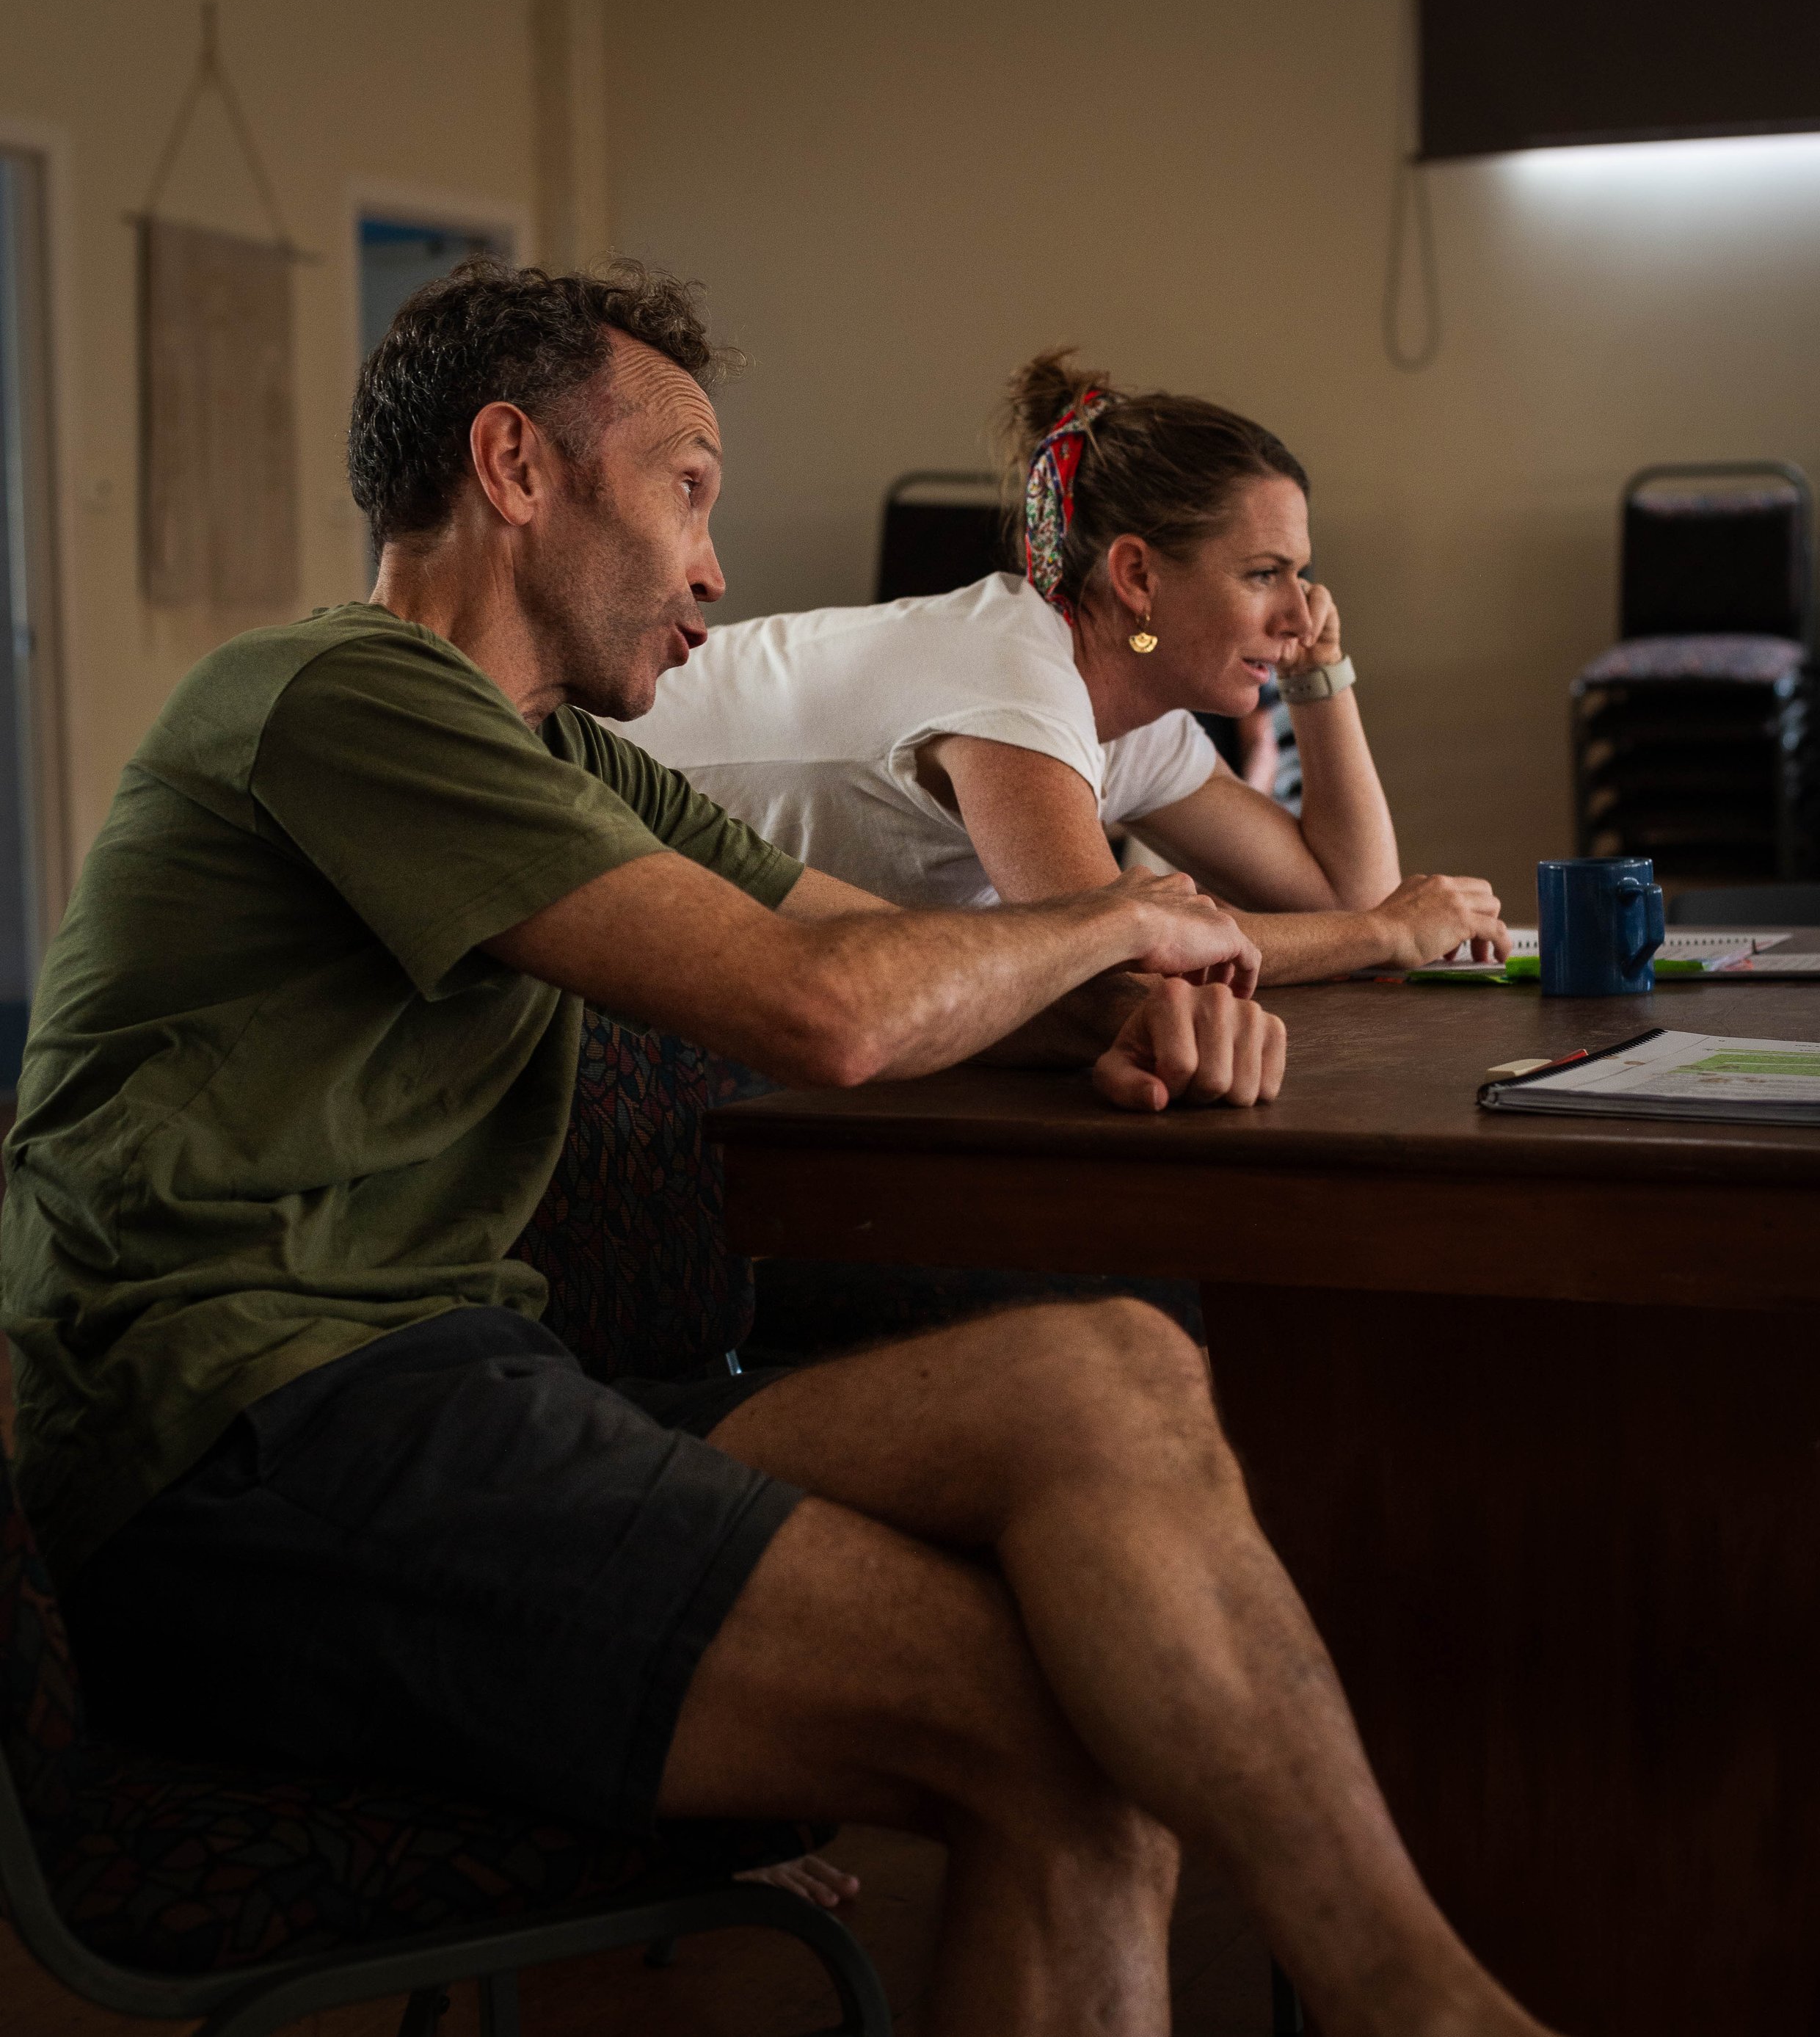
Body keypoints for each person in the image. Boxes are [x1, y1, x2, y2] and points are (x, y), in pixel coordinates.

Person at [1, 260, 1557, 2037]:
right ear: (516, 468)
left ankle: (1417, 2001)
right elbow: (832, 1012)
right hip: (239, 1450)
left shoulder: (570, 759)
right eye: (686, 487)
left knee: (1110, 1373)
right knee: (1059, 1736)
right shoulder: (342, 694)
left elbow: (856, 941)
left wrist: (1123, 1010)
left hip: (453, 1387)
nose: (715, 567)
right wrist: (1128, 936)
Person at [617, 349, 1510, 982]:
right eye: (1263, 574)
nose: (1299, 609)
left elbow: (1343, 894)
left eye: (1302, 573)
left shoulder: (1133, 716)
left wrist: (1319, 678)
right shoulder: (1014, 680)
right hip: (579, 802)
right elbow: (1113, 958)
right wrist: (1384, 936)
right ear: (1136, 576)